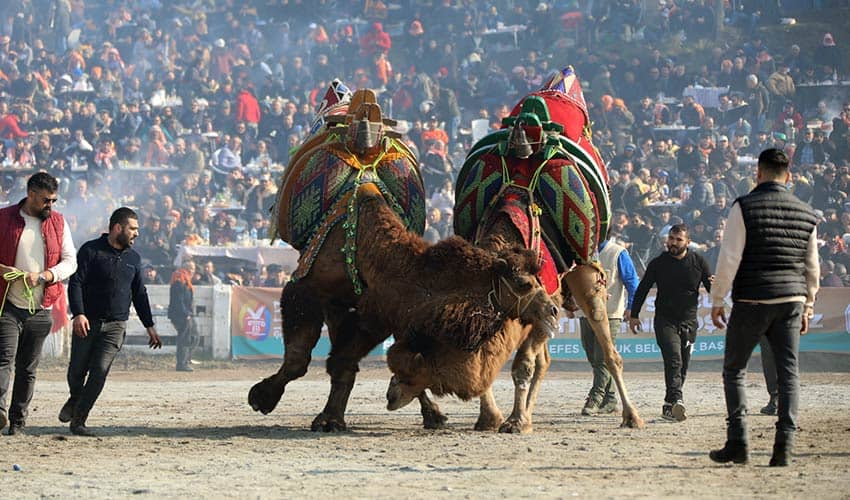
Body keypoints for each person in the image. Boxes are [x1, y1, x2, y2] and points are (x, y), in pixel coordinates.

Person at [709, 148, 819, 467]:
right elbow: (812, 267)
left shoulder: (744, 207)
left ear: (757, 173)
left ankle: (738, 442)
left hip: (753, 299)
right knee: (789, 373)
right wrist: (808, 307)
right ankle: (784, 446)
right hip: (791, 300)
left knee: (735, 369)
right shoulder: (806, 211)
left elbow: (729, 258)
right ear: (789, 176)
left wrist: (718, 299)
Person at [60, 207, 162, 436]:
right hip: (87, 322)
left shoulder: (134, 259)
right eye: (133, 228)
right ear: (118, 227)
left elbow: (140, 294)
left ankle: (79, 420)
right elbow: (75, 283)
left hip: (115, 326)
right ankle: (76, 398)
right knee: (76, 371)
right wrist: (78, 313)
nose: (136, 234)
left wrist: (150, 326)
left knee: (100, 370)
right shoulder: (90, 250)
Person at [0, 172, 77, 435]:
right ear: (31, 194)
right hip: (7, 305)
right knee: (3, 359)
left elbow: (70, 261)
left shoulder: (58, 223)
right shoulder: (4, 218)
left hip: (41, 308)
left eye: (53, 200)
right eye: (46, 200)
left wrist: (46, 276)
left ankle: (18, 420)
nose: (50, 205)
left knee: (27, 368)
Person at [630, 224, 713, 422]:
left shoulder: (699, 261)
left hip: (689, 321)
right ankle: (677, 399)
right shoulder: (658, 263)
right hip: (665, 320)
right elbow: (642, 289)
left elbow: (711, 288)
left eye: (678, 240)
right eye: (671, 239)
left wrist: (719, 297)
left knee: (682, 365)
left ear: (688, 242)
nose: (673, 243)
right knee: (674, 359)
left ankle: (669, 405)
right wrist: (634, 315)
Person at [580, 238, 640, 416]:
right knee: (592, 355)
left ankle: (596, 397)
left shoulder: (617, 253)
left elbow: (632, 282)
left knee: (602, 358)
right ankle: (611, 398)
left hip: (610, 313)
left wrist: (631, 307)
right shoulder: (582, 252)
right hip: (585, 312)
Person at [169, 261, 198, 372]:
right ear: (184, 268)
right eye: (190, 268)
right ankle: (182, 363)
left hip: (187, 313)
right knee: (185, 338)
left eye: (193, 268)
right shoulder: (179, 280)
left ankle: (186, 359)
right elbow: (178, 301)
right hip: (182, 315)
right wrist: (186, 314)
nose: (192, 270)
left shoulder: (186, 281)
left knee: (194, 336)